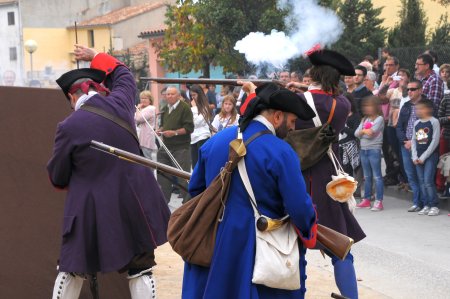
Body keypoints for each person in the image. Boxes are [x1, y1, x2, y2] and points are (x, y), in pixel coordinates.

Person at [48, 45, 170, 299]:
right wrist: (95, 56)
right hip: (134, 200)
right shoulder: (122, 101)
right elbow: (123, 73)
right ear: (98, 88)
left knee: (72, 268)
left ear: (72, 98)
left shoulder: (68, 126)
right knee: (141, 268)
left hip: (91, 207)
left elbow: (58, 177)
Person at [182, 82, 318, 299]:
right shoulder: (282, 152)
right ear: (277, 117)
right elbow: (299, 208)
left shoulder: (215, 142)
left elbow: (196, 189)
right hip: (257, 246)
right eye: (292, 121)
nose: (292, 128)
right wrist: (310, 224)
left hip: (215, 242)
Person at [287, 48, 366, 299]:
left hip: (298, 176)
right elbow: (323, 99)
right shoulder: (341, 104)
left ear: (314, 75)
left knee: (294, 247)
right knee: (340, 248)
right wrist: (303, 87)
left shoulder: (299, 102)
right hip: (328, 177)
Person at [157, 86, 194, 203]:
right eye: (167, 94)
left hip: (181, 147)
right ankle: (163, 201)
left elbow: (189, 128)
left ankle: (188, 204)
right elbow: (164, 125)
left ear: (178, 96)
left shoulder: (185, 108)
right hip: (166, 146)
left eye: (172, 94)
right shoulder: (165, 108)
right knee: (162, 174)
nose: (169, 96)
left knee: (183, 177)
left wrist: (175, 133)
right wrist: (160, 130)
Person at [397, 80, 425, 212]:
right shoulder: (406, 105)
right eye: (408, 89)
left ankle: (425, 203)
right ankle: (416, 202)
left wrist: (413, 142)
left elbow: (428, 127)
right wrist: (405, 141)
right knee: (410, 175)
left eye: (413, 89)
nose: (409, 92)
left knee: (421, 175)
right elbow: (399, 126)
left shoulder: (427, 104)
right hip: (406, 145)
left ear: (420, 90)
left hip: (420, 145)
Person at [355, 96, 385, 211]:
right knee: (367, 176)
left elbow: (372, 132)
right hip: (364, 149)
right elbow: (356, 133)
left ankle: (379, 201)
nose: (367, 108)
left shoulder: (379, 119)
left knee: (377, 176)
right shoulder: (364, 119)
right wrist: (363, 131)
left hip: (374, 150)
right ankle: (366, 199)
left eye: (369, 106)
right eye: (365, 106)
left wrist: (363, 132)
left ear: (376, 107)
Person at [412, 99, 441, 216]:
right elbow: (414, 141)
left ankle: (434, 205)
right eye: (417, 108)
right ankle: (426, 204)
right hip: (418, 157)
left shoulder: (434, 122)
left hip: (430, 156)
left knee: (428, 180)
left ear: (428, 109)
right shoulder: (417, 123)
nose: (418, 111)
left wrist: (423, 157)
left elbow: (435, 141)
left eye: (420, 108)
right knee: (422, 181)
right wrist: (414, 156)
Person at [189, 84, 212, 167]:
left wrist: (194, 107)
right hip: (193, 138)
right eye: (191, 95)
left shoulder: (205, 106)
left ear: (200, 94)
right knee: (195, 165)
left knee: (202, 164)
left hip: (202, 137)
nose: (192, 98)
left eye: (194, 95)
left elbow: (197, 123)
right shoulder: (191, 107)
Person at [338, 93, 361, 179]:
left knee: (350, 172)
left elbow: (355, 133)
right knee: (341, 171)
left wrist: (343, 127)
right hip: (339, 146)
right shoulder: (339, 115)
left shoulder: (355, 116)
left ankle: (352, 191)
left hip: (351, 147)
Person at [135, 90, 157, 160]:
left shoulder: (150, 109)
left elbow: (138, 119)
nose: (143, 100)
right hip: (142, 139)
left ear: (150, 100)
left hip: (146, 139)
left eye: (145, 98)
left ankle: (150, 171)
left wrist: (137, 109)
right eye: (142, 98)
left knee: (147, 160)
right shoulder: (143, 109)